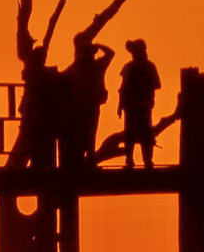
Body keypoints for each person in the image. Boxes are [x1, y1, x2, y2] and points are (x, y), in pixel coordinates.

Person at [62, 36, 115, 167]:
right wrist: (98, 45)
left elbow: (111, 53)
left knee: (85, 132)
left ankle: (85, 159)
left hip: (83, 105)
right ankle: (87, 159)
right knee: (89, 132)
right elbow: (110, 53)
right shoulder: (96, 66)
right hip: (87, 105)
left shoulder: (79, 67)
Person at [118, 38, 161, 169]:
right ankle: (140, 160)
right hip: (139, 105)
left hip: (137, 105)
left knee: (136, 134)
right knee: (140, 134)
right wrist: (120, 105)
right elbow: (123, 88)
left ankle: (136, 160)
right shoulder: (146, 66)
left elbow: (123, 88)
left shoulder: (131, 67)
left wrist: (120, 105)